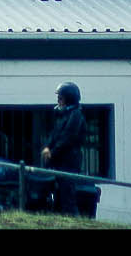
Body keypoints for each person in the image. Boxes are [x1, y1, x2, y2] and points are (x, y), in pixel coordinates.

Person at [40, 81, 87, 216]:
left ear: (69, 98)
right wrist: (47, 148)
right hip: (58, 162)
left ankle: (75, 223)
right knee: (56, 197)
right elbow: (54, 135)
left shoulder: (76, 115)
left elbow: (68, 138)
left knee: (68, 198)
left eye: (61, 97)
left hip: (68, 162)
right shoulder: (63, 116)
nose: (58, 100)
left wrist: (52, 152)